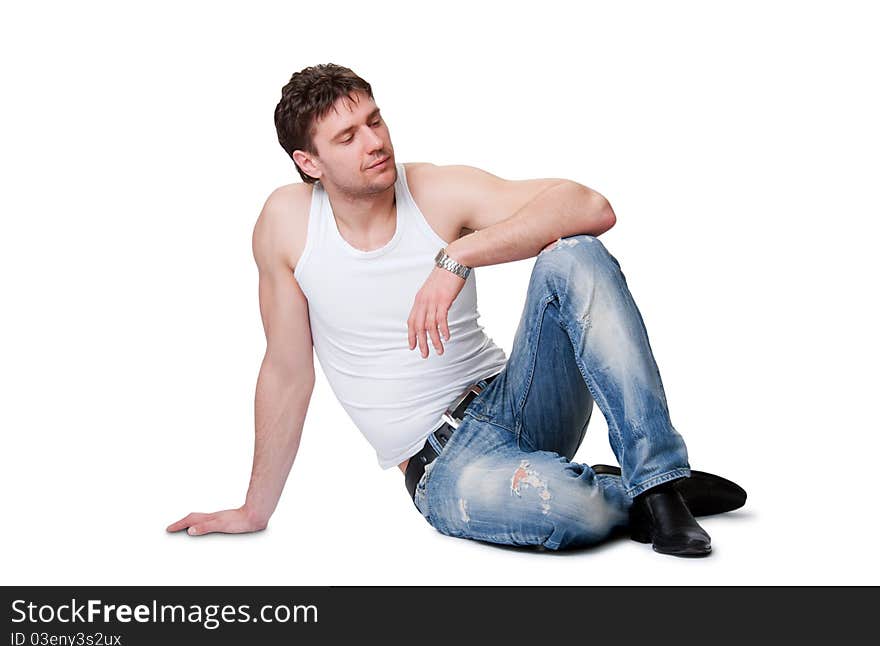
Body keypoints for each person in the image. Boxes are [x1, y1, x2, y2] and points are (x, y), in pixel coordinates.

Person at [167, 63, 746, 557]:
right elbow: (287, 373)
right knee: (576, 516)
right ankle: (629, 493)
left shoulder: (437, 190)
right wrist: (253, 510)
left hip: (517, 399)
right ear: (309, 163)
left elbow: (589, 205)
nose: (374, 142)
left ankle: (660, 480)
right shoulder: (287, 224)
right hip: (444, 467)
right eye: (347, 137)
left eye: (374, 120)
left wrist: (459, 256)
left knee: (576, 254)